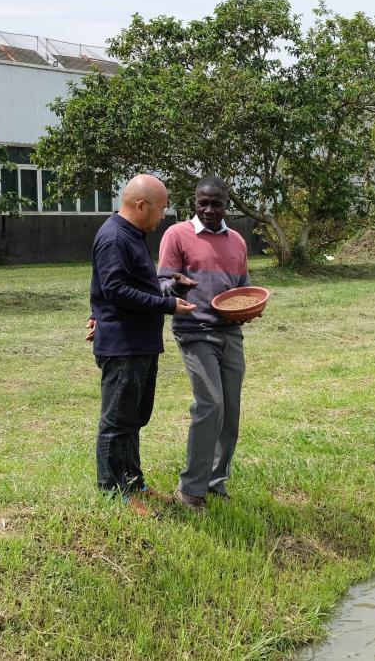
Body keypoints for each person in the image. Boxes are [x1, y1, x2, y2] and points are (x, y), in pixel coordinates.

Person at [88, 174, 197, 516]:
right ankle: (111, 491)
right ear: (140, 205)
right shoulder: (113, 238)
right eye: (161, 208)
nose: (163, 215)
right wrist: (168, 305)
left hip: (140, 343)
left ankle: (134, 484)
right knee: (117, 421)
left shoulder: (133, 235)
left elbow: (137, 283)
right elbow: (116, 290)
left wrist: (170, 285)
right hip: (123, 346)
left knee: (134, 418)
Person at [157, 176, 252, 511]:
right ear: (194, 202)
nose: (209, 209)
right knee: (210, 404)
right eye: (203, 203)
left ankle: (216, 481)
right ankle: (190, 490)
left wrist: (247, 310)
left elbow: (243, 290)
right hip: (194, 330)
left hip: (230, 333)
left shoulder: (237, 241)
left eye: (217, 203)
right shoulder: (177, 234)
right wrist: (175, 287)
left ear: (227, 204)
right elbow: (162, 283)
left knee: (230, 411)